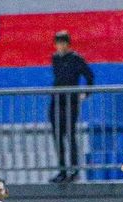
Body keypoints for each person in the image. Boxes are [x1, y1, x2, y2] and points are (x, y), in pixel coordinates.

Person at [48, 31, 94, 184]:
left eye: (63, 43)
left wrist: (85, 94)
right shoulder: (55, 59)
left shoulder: (76, 59)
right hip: (56, 101)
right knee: (58, 137)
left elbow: (89, 76)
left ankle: (74, 170)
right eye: (58, 43)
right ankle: (62, 170)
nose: (60, 46)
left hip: (70, 102)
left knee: (70, 135)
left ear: (68, 44)